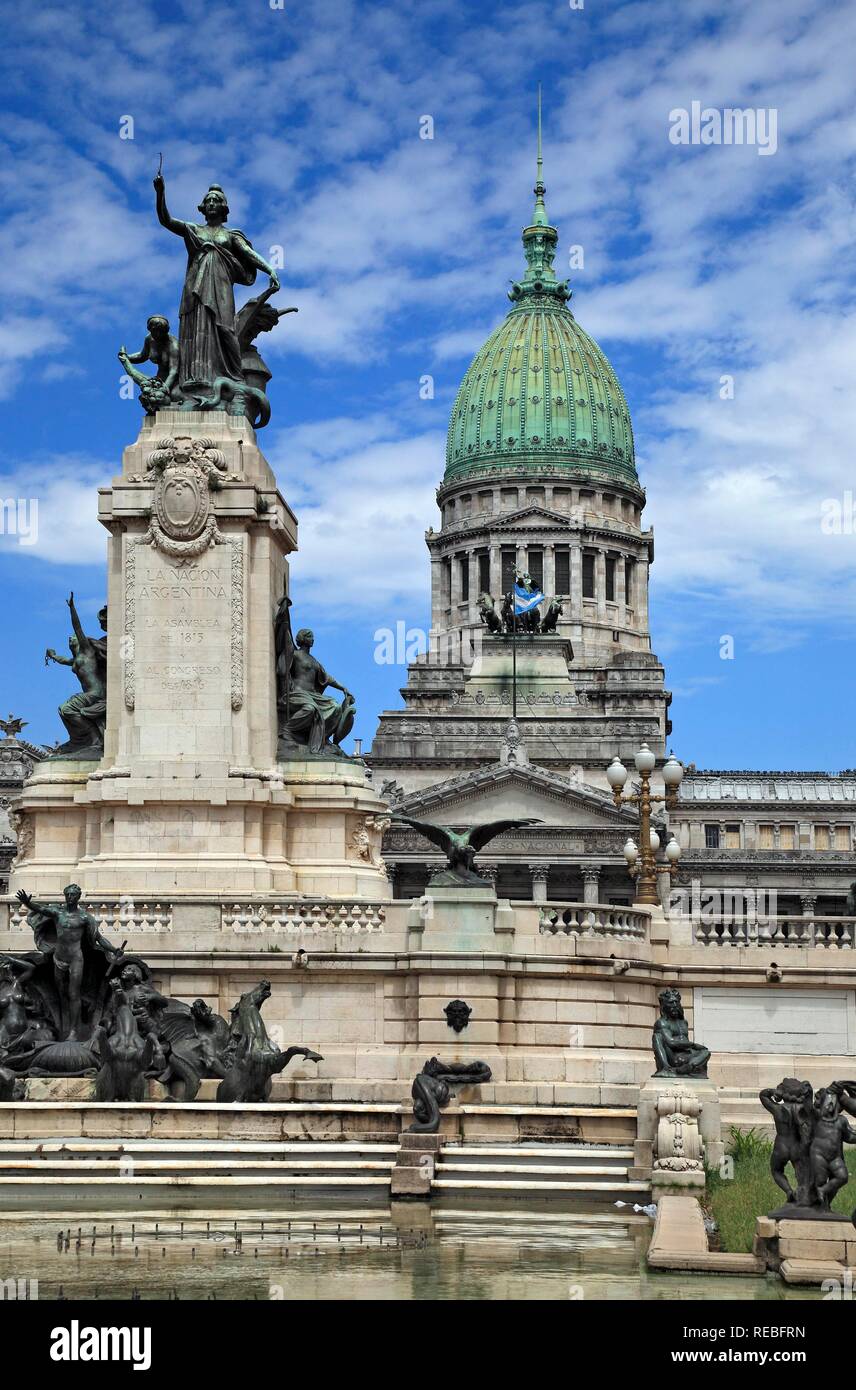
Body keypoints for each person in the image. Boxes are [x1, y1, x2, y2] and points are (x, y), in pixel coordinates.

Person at [153, 174, 280, 393]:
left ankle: (232, 377)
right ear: (203, 207)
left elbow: (248, 254)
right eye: (208, 200)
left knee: (224, 329)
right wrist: (160, 192)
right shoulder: (194, 229)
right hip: (196, 288)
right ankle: (195, 379)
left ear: (223, 208)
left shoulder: (229, 235)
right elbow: (166, 220)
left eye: (216, 201)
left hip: (220, 289)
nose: (212, 204)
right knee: (196, 330)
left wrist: (269, 268)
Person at [14, 885, 120, 1041]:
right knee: (61, 992)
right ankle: (72, 1013)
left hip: (76, 959)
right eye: (67, 894)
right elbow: (41, 909)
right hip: (59, 958)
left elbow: (98, 938)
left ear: (78, 897)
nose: (69, 897)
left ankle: (73, 1032)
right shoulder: (58, 914)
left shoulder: (85, 918)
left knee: (73, 994)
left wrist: (113, 949)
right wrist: (27, 903)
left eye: (72, 895)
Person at [45, 592, 106, 756]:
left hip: (95, 693)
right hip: (89, 694)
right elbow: (64, 660)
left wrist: (72, 608)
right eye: (69, 638)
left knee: (68, 708)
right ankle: (81, 739)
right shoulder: (76, 659)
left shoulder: (86, 651)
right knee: (63, 710)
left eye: (73, 638)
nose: (70, 639)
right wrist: (52, 656)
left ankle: (94, 739)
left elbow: (77, 627)